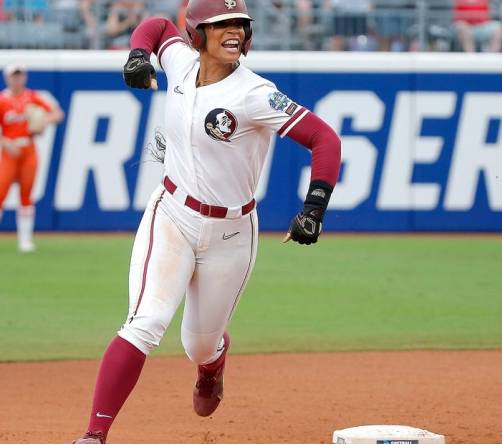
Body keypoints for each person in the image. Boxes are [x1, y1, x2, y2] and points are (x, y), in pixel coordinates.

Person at [72, 0, 341, 442]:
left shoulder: (255, 93)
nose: (234, 31)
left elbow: (323, 138)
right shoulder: (179, 63)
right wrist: (138, 52)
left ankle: (212, 363)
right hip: (172, 214)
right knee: (145, 321)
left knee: (197, 345)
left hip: (232, 232)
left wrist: (314, 208)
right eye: (222, 24)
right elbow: (157, 26)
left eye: (240, 24)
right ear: (198, 33)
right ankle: (94, 435)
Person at [0, 64, 64, 253]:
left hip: (28, 149)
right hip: (9, 151)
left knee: (26, 196)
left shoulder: (32, 97)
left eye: (20, 76)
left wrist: (41, 121)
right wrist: (4, 142)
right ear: (7, 78)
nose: (17, 79)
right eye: (14, 76)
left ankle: (25, 241)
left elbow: (58, 114)